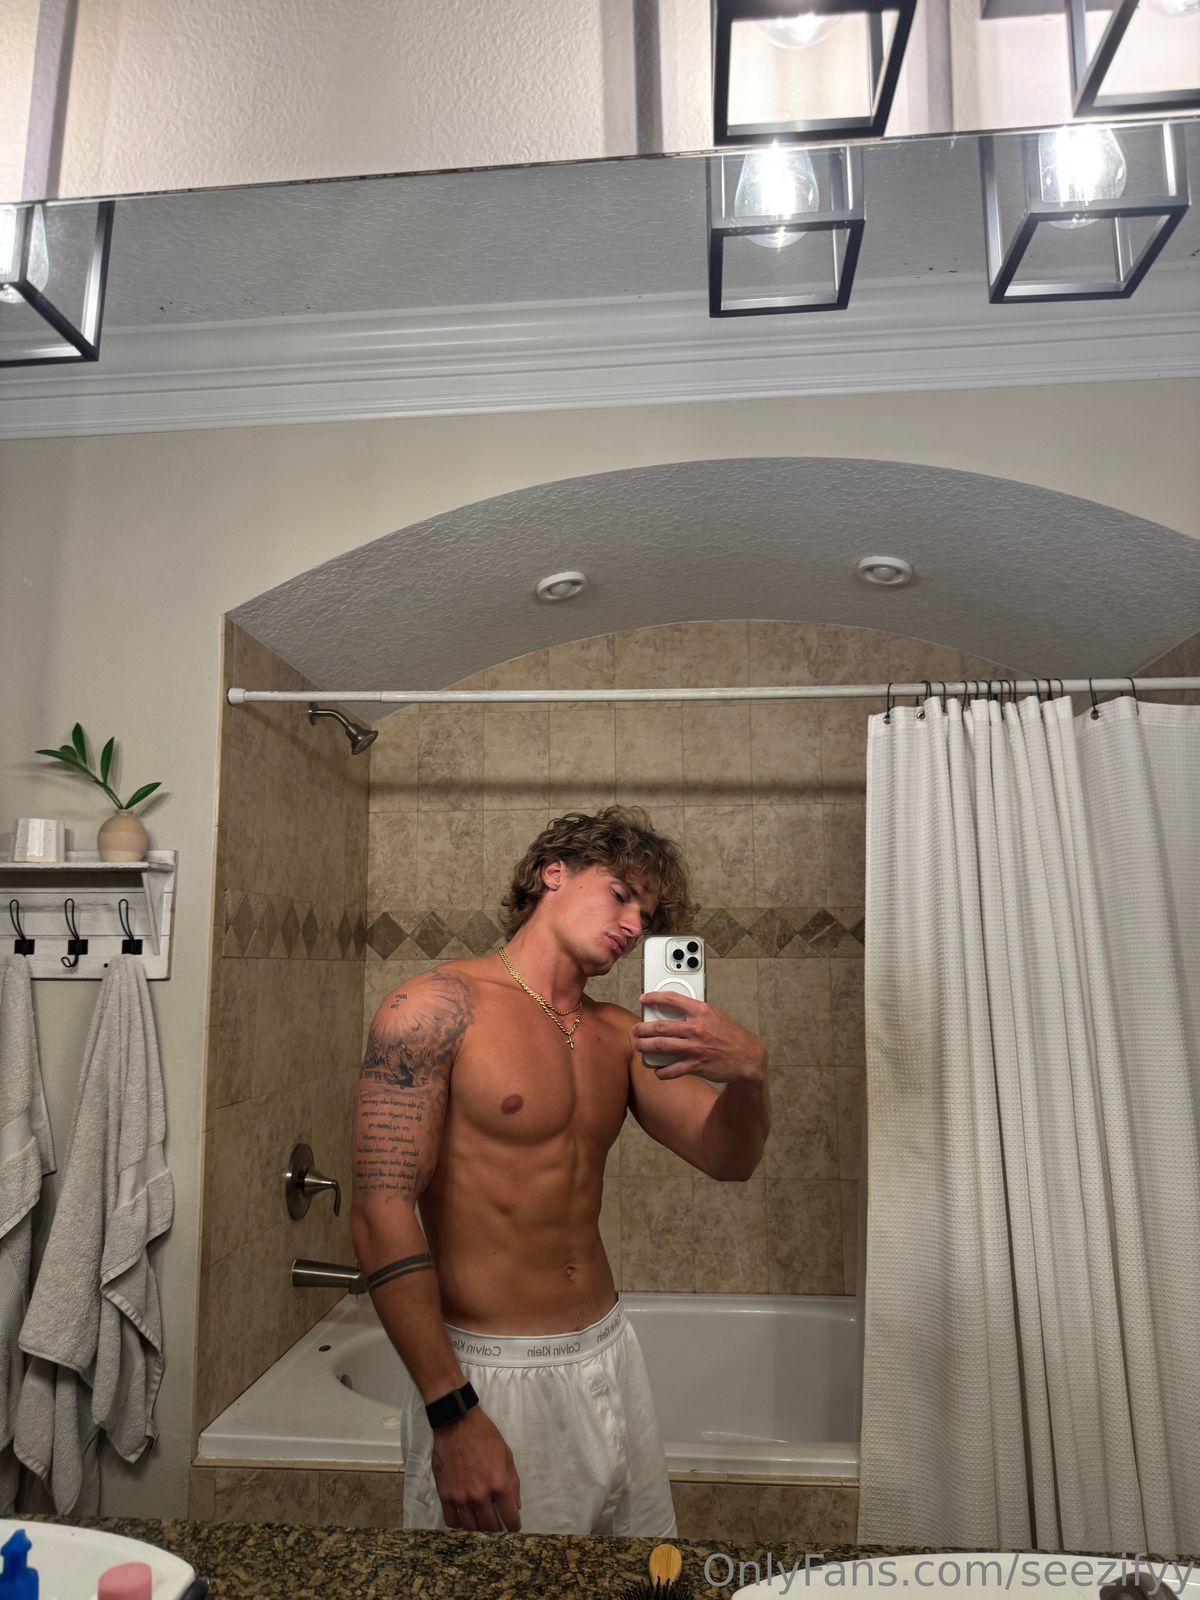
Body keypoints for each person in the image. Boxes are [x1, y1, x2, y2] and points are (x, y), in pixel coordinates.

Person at [349, 805, 770, 1536]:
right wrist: (453, 1414)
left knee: (639, 1583)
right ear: (553, 873)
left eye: (647, 914)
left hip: (610, 1355)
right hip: (492, 1374)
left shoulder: (620, 1036)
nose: (634, 924)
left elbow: (727, 1158)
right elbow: (378, 1213)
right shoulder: (433, 1008)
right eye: (621, 894)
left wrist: (751, 1074)